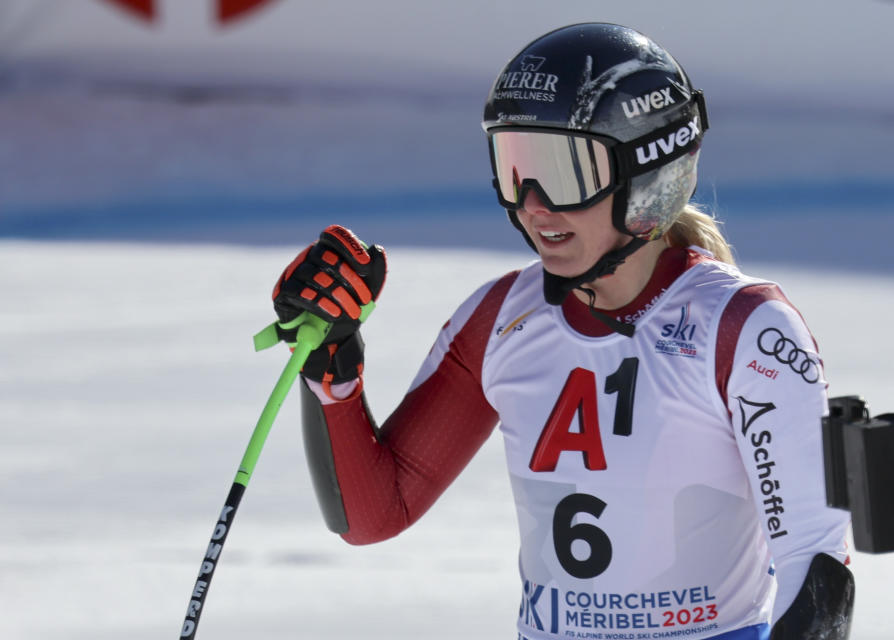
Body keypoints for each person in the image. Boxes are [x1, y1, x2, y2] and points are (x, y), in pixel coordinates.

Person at [270, 23, 855, 640]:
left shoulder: (745, 330)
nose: (533, 204)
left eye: (564, 171)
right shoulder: (500, 316)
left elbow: (816, 573)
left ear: (647, 174)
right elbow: (374, 514)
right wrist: (330, 365)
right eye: (515, 165)